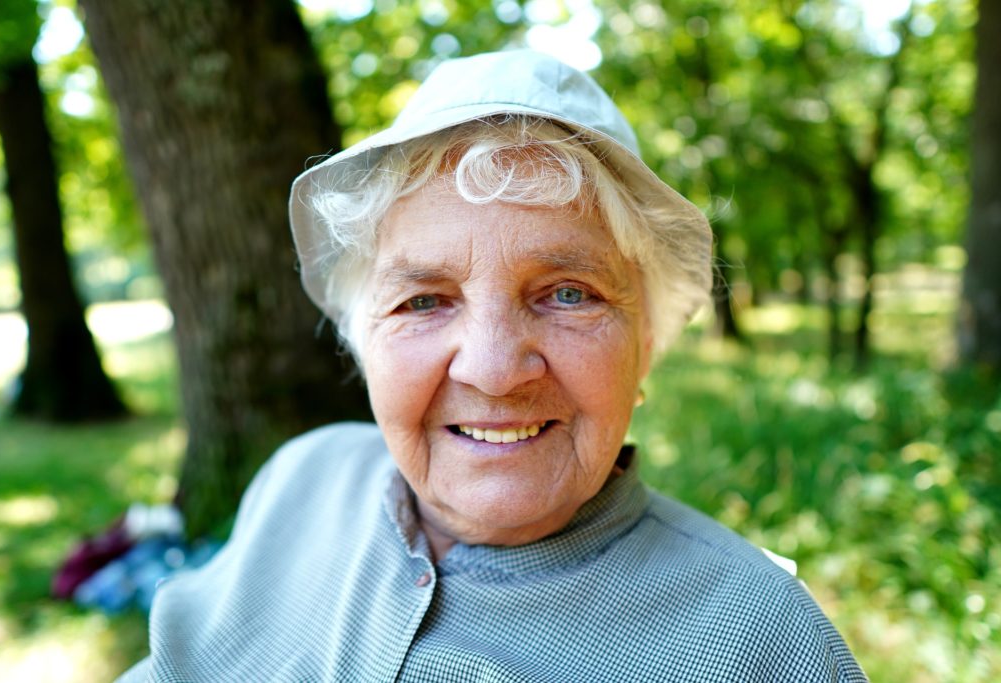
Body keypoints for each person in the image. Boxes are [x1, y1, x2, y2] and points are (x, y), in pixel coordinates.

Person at [118, 50, 867, 682]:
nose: (494, 369)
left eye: (568, 293)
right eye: (423, 300)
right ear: (364, 338)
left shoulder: (760, 642)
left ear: (648, 341)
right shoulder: (303, 477)